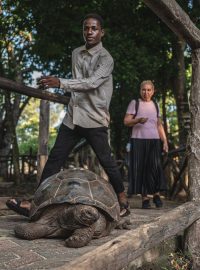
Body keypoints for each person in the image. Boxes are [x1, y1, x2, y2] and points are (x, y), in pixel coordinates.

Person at [6, 13, 130, 217]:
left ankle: (123, 200)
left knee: (106, 161)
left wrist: (60, 82)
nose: (89, 32)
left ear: (102, 32)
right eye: (86, 28)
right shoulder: (76, 53)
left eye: (94, 28)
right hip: (74, 116)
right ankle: (35, 202)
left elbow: (91, 83)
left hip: (94, 118)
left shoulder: (106, 59)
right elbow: (78, 82)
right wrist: (61, 88)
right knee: (55, 158)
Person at [124, 80, 168, 209]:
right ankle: (145, 199)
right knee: (142, 169)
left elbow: (159, 125)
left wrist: (164, 141)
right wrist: (138, 120)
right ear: (140, 90)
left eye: (149, 90)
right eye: (144, 89)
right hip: (138, 140)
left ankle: (156, 195)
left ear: (153, 91)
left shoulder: (156, 104)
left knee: (154, 168)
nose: (146, 92)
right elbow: (126, 121)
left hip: (154, 140)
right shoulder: (135, 103)